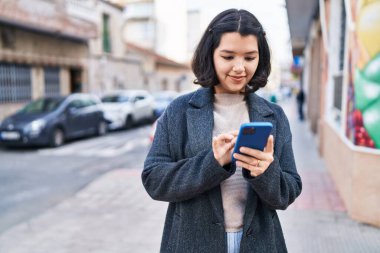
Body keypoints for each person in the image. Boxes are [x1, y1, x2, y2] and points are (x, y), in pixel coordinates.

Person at [142, 9, 302, 253]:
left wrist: (265, 171)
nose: (239, 68)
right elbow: (154, 180)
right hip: (191, 243)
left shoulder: (274, 116)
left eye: (249, 58)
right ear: (211, 54)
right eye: (228, 57)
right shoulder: (180, 111)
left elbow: (288, 191)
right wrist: (213, 162)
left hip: (260, 243)